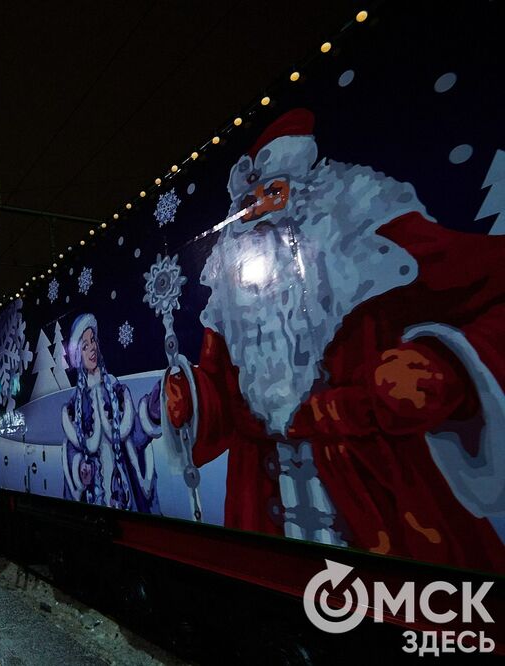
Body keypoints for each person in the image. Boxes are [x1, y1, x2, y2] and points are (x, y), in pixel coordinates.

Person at [141, 108, 505, 570]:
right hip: (263, 496)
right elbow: (223, 394)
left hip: (382, 491)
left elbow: (492, 284)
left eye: (273, 192)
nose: (260, 212)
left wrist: (447, 365)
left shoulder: (374, 238)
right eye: (249, 202)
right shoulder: (229, 299)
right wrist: (192, 399)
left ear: (311, 189)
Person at [61, 313, 154, 511]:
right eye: (85, 346)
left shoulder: (115, 389)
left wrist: (151, 413)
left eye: (92, 340)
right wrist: (80, 469)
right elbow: (71, 448)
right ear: (78, 355)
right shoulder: (76, 403)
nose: (92, 348)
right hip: (95, 494)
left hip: (124, 487)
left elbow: (134, 437)